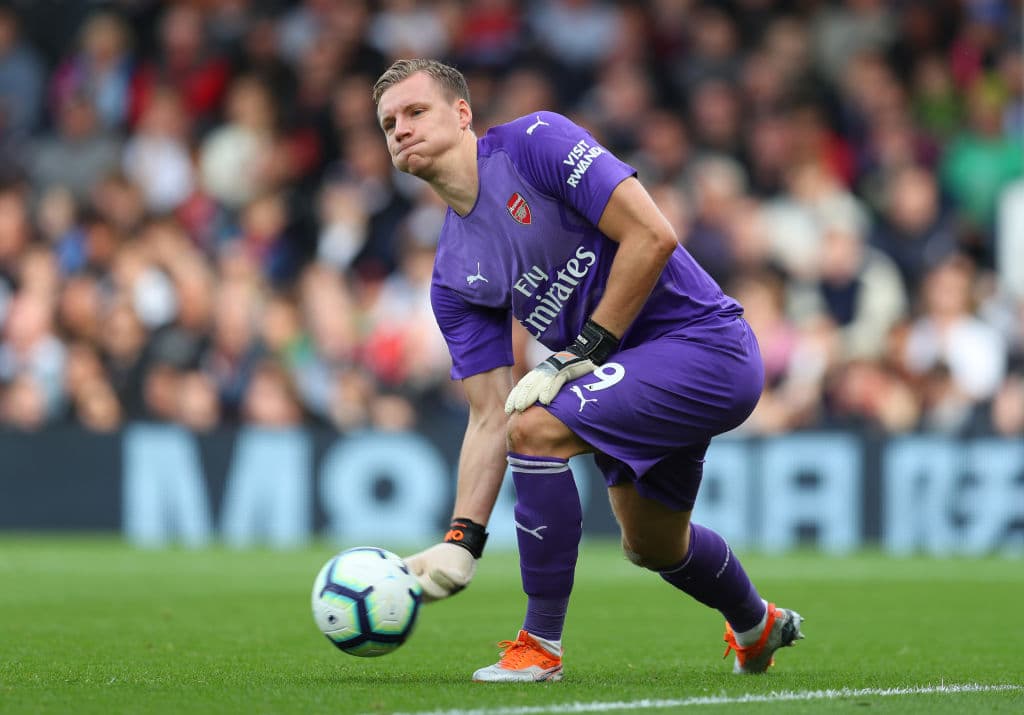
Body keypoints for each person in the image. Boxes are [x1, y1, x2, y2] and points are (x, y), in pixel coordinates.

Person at [372, 58, 803, 682]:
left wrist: (586, 351)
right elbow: (489, 412)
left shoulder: (536, 142)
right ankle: (756, 623)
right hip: (629, 373)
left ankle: (539, 647)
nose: (400, 130)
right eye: (388, 124)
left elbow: (652, 236)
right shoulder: (451, 277)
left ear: (462, 114)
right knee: (651, 545)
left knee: (538, 428)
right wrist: (461, 540)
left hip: (707, 346)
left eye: (415, 111)